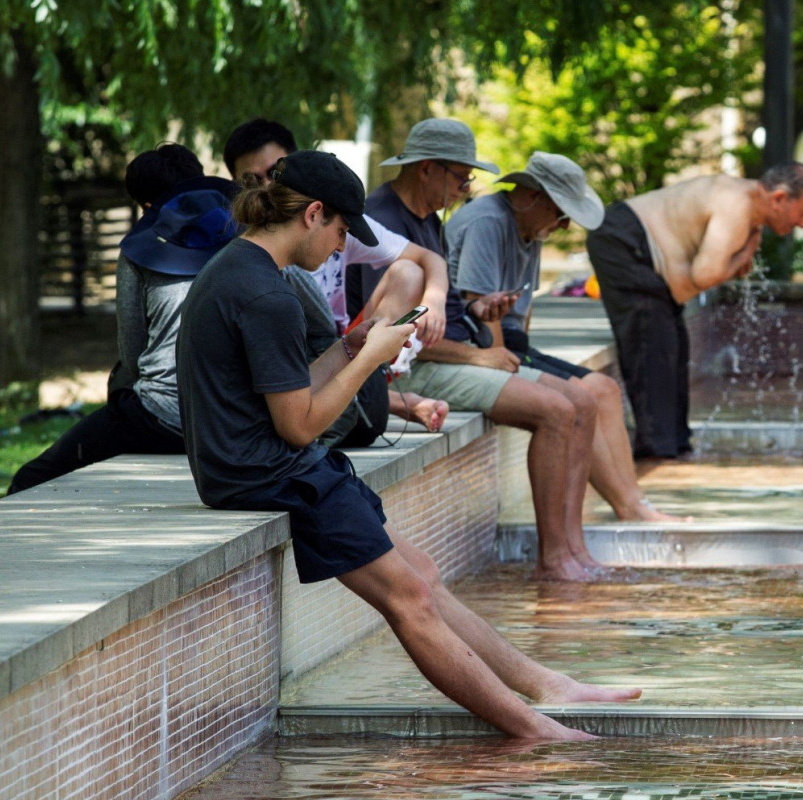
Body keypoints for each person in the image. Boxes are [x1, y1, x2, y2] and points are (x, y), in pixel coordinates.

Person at [176, 150, 640, 739]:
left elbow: (288, 391)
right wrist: (370, 357)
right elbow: (300, 423)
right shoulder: (266, 295)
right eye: (343, 232)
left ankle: (546, 685)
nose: (342, 249)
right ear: (313, 214)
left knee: (420, 570)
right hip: (266, 472)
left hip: (262, 463)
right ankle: (534, 731)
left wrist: (350, 348)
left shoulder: (239, 268)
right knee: (410, 596)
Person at [361, 119, 606, 582]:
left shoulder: (428, 221)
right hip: (410, 374)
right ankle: (553, 559)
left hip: (447, 355)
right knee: (556, 411)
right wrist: (478, 356)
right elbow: (384, 339)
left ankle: (574, 549)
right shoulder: (380, 223)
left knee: (582, 402)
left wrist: (480, 310)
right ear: (428, 169)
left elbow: (447, 311)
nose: (466, 188)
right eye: (461, 177)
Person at [448, 151, 687, 523]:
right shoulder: (488, 223)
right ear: (532, 196)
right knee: (584, 397)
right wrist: (504, 367)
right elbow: (482, 311)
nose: (563, 226)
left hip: (506, 342)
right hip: (475, 344)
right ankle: (630, 508)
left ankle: (635, 504)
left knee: (606, 389)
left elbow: (521, 312)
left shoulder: (531, 228)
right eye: (561, 214)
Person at [8, 145, 238, 493]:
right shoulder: (250, 240)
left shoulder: (141, 251)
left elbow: (132, 354)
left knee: (32, 478)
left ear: (147, 208)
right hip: (233, 420)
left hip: (162, 417)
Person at [223, 118, 450, 436]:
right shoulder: (268, 286)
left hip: (319, 353)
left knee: (409, 272)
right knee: (365, 417)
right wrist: (367, 357)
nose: (267, 188)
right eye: (252, 179)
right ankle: (389, 397)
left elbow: (428, 259)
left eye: (273, 174)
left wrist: (433, 302)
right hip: (265, 429)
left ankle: (385, 394)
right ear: (314, 214)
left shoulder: (255, 260)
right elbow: (299, 430)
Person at [586, 163, 803, 459]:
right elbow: (704, 276)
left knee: (673, 345)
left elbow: (693, 280)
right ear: (778, 198)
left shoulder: (743, 204)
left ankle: (676, 445)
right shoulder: (737, 206)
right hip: (622, 239)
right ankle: (659, 452)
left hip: (635, 241)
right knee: (653, 345)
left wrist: (734, 263)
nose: (802, 224)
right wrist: (743, 256)